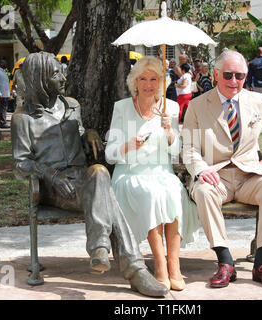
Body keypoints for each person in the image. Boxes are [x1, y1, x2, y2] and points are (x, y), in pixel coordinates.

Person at [11, 52, 167, 298]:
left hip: (84, 181)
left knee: (99, 171)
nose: (63, 77)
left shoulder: (72, 106)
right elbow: (21, 164)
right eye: (55, 74)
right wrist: (53, 177)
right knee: (107, 195)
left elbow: (81, 133)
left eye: (61, 71)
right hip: (55, 188)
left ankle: (100, 249)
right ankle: (133, 269)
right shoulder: (23, 119)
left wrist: (90, 134)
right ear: (39, 79)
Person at [182, 49, 262, 289]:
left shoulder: (257, 101)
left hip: (250, 176)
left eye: (240, 76)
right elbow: (189, 148)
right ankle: (225, 261)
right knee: (203, 192)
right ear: (215, 74)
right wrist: (201, 170)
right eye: (228, 75)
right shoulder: (197, 105)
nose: (234, 81)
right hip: (215, 176)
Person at [105, 56, 199, 292]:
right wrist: (127, 145)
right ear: (135, 82)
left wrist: (170, 132)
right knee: (151, 193)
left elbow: (175, 152)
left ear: (161, 83)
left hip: (161, 171)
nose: (148, 84)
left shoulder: (172, 107)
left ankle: (173, 265)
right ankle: (159, 265)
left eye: (153, 79)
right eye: (143, 79)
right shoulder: (122, 107)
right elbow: (109, 154)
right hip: (130, 173)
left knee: (174, 191)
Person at [0, 59, 11, 128]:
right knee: (2, 109)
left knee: (4, 109)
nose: (6, 64)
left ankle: (4, 122)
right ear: (1, 64)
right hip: (1, 95)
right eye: (4, 63)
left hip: (6, 94)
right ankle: (2, 123)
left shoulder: (3, 72)